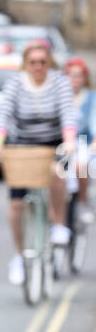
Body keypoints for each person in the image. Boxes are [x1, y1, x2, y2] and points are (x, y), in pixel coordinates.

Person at [0, 41, 78, 285]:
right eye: (33, 62)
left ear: (48, 63)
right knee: (17, 203)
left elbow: (67, 114)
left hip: (52, 143)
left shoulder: (60, 82)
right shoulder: (15, 84)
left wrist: (69, 141)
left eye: (43, 62)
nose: (38, 66)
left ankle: (59, 224)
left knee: (57, 172)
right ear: (25, 64)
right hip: (22, 145)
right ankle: (18, 256)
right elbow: (3, 115)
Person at [64, 57, 95, 222]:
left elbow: (93, 122)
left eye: (79, 75)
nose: (75, 80)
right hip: (61, 141)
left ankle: (83, 202)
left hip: (83, 140)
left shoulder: (90, 97)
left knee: (81, 166)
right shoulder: (60, 96)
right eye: (71, 75)